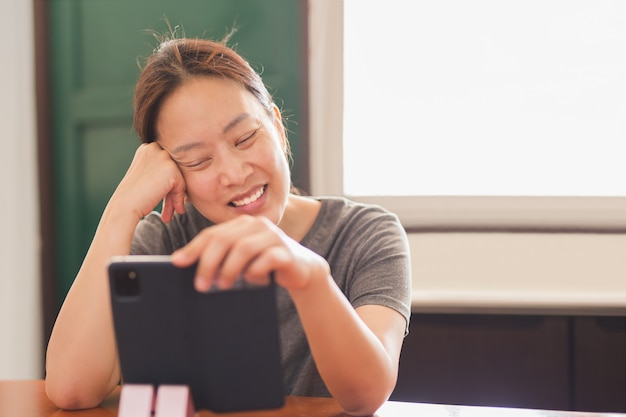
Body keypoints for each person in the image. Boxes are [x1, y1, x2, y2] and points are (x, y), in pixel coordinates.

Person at [44, 35, 411, 416]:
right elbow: (70, 390)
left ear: (278, 128)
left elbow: (367, 394)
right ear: (173, 175)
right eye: (199, 161)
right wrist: (122, 208)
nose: (235, 174)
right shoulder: (166, 239)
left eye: (245, 138)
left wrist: (308, 275)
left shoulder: (366, 234)